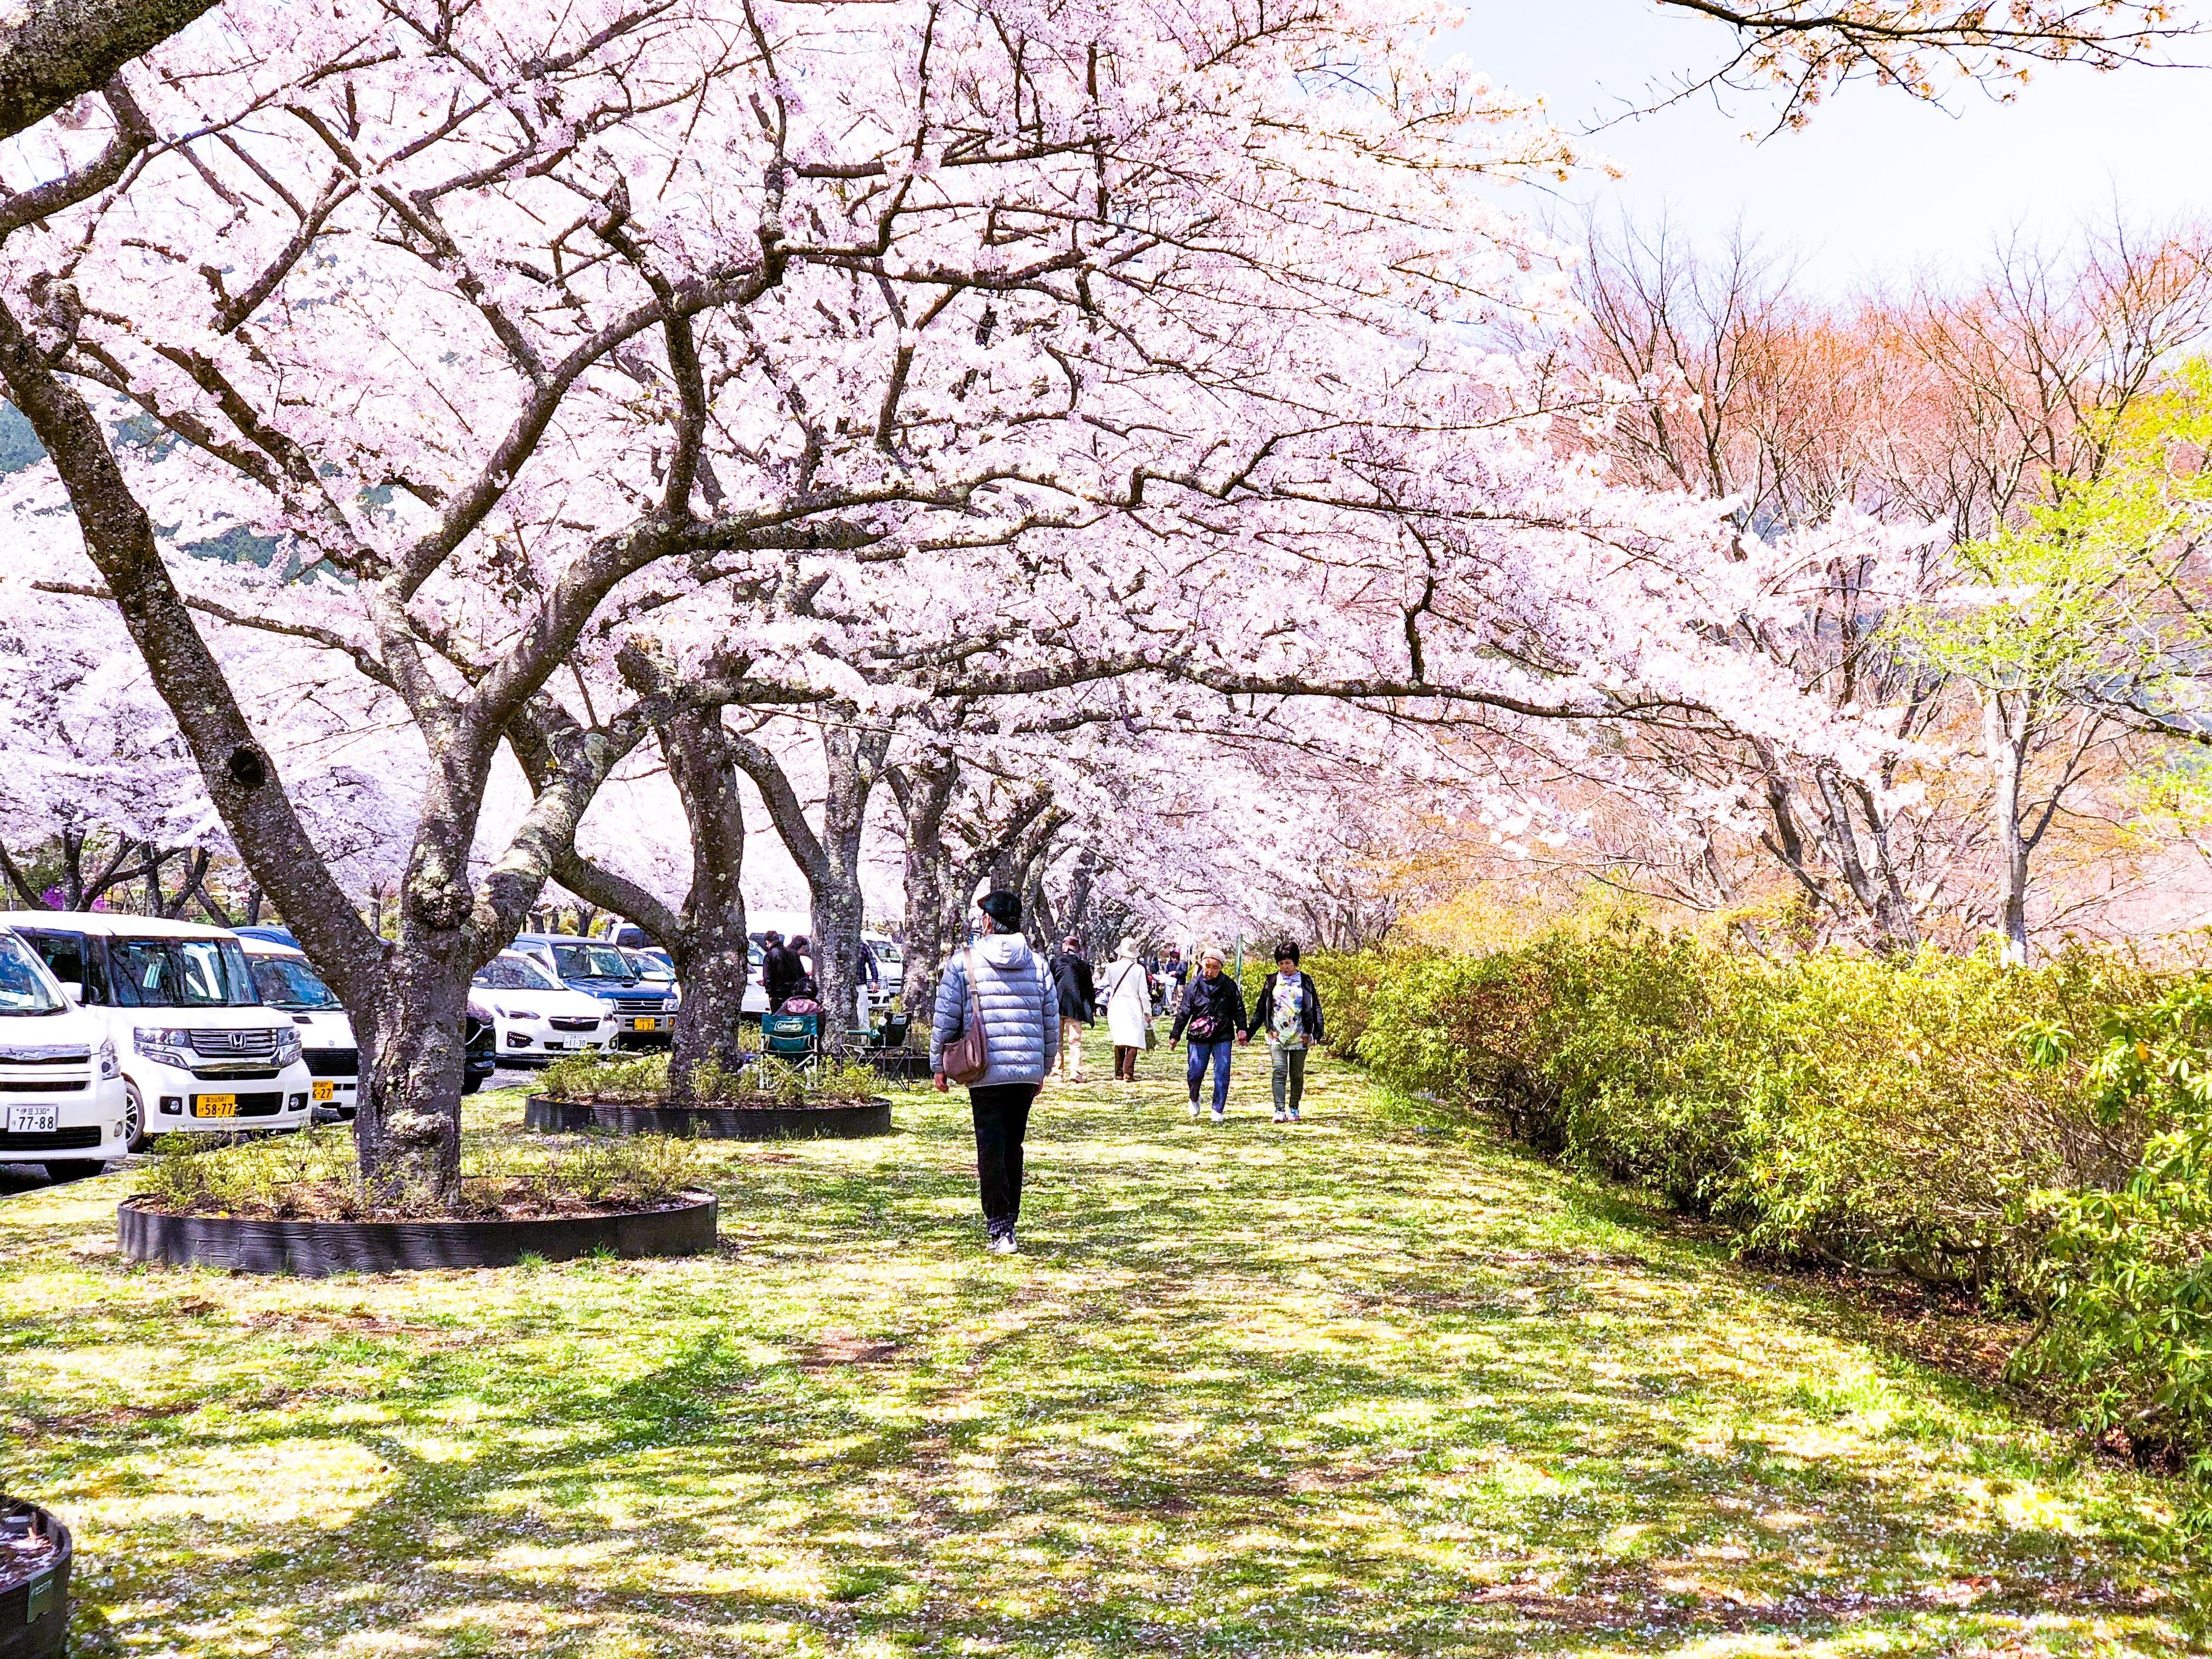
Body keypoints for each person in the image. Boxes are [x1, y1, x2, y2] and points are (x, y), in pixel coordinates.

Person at [931, 890, 1060, 1255]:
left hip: (984, 1066)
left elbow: (946, 1016)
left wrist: (938, 1064)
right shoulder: (1037, 964)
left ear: (988, 921)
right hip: (1024, 1071)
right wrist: (1043, 1067)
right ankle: (1010, 1219)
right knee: (1012, 1145)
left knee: (990, 1144)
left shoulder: (964, 962)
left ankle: (1000, 1226)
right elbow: (1051, 1021)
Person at [1242, 940, 1324, 1122]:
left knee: (1296, 1074)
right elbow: (1261, 1009)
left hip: (1300, 1034)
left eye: (1288, 963)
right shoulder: (1272, 981)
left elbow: (1314, 1007)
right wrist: (1249, 1033)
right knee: (1279, 1071)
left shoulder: (1305, 981)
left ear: (1296, 962)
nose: (1285, 967)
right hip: (1276, 1034)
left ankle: (1294, 1108)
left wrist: (1317, 1033)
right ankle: (1279, 1110)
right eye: (1281, 963)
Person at [1170, 947, 1246, 1124]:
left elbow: (1238, 1009)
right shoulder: (1194, 985)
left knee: (1222, 1072)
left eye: (1214, 967)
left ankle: (1217, 1109)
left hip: (1223, 1035)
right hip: (1199, 1036)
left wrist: (1242, 1028)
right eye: (1207, 966)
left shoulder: (1229, 985)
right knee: (1196, 1072)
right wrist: (1176, 1035)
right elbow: (1184, 1011)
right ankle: (1194, 1097)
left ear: (1221, 968)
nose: (1209, 971)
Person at [1101, 939, 1153, 1081]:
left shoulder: (1111, 967)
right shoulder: (1139, 969)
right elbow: (1143, 993)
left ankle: (1118, 1072)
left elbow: (1109, 985)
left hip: (1117, 1004)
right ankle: (1128, 1072)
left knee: (1119, 1038)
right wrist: (1148, 1011)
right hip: (1133, 1005)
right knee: (1133, 1040)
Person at [1049, 934, 1096, 1082]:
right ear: (1077, 949)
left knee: (1057, 1042)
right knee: (1075, 1042)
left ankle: (1057, 1073)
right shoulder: (1082, 965)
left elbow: (1049, 984)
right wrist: (1092, 1007)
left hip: (1057, 1005)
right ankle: (1076, 1072)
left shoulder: (1055, 963)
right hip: (1075, 1007)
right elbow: (1089, 989)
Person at [760, 931, 805, 1011]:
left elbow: (768, 978)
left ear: (768, 942)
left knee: (779, 1020)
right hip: (793, 995)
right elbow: (802, 975)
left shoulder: (770, 956)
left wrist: (770, 994)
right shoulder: (793, 953)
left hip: (778, 995)